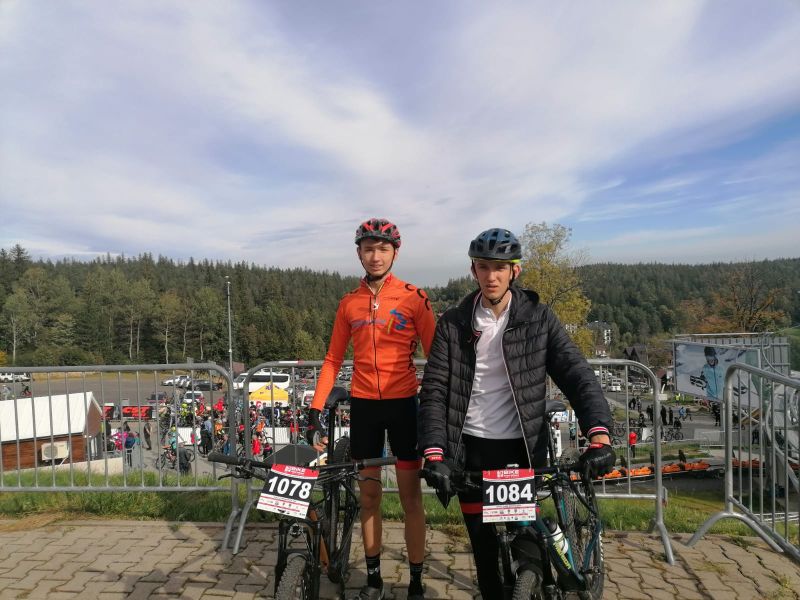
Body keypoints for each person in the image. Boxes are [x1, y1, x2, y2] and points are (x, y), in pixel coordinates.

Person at [417, 228, 615, 600]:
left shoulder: (538, 318)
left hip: (520, 448)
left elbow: (577, 374)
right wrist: (434, 452)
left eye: (500, 268)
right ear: (473, 270)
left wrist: (599, 434)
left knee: (526, 545)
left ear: (514, 271)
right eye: (483, 267)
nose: (491, 276)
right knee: (484, 552)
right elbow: (434, 392)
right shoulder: (453, 323)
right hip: (471, 449)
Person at [306, 218, 436, 600]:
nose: (375, 256)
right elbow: (333, 359)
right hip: (364, 407)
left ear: (395, 252)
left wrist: (437, 407)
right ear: (359, 253)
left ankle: (416, 581)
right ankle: (375, 578)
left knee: (411, 498)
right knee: (368, 498)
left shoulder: (414, 298)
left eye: (383, 248)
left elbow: (436, 357)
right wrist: (315, 408)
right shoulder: (349, 302)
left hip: (404, 406)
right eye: (368, 249)